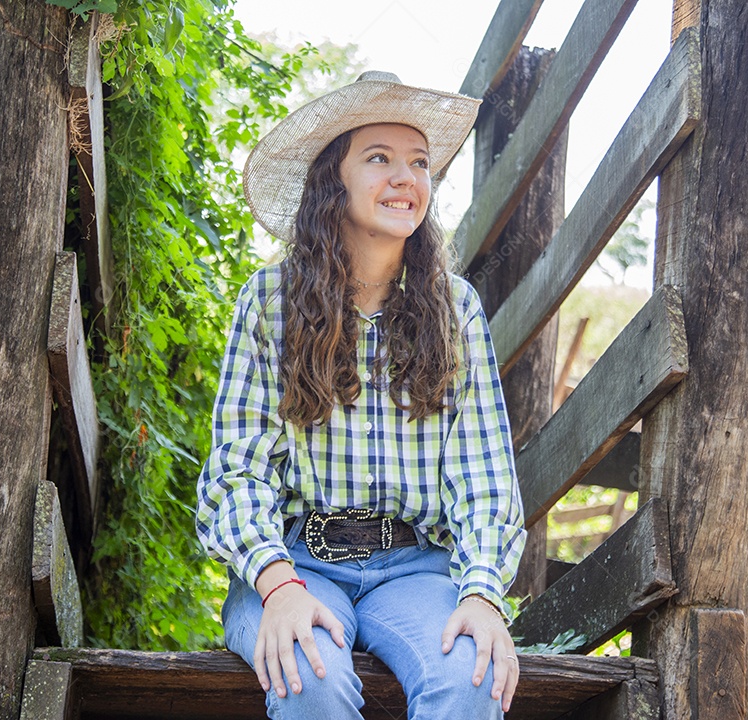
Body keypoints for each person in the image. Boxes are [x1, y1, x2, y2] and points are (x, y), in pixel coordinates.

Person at [196, 70, 526, 719]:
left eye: (419, 163)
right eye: (380, 159)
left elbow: (486, 478)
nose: (406, 178)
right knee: (310, 675)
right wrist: (277, 586)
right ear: (333, 180)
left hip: (417, 574)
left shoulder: (455, 310)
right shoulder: (269, 304)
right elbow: (237, 474)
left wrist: (483, 596)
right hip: (295, 562)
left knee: (470, 679)